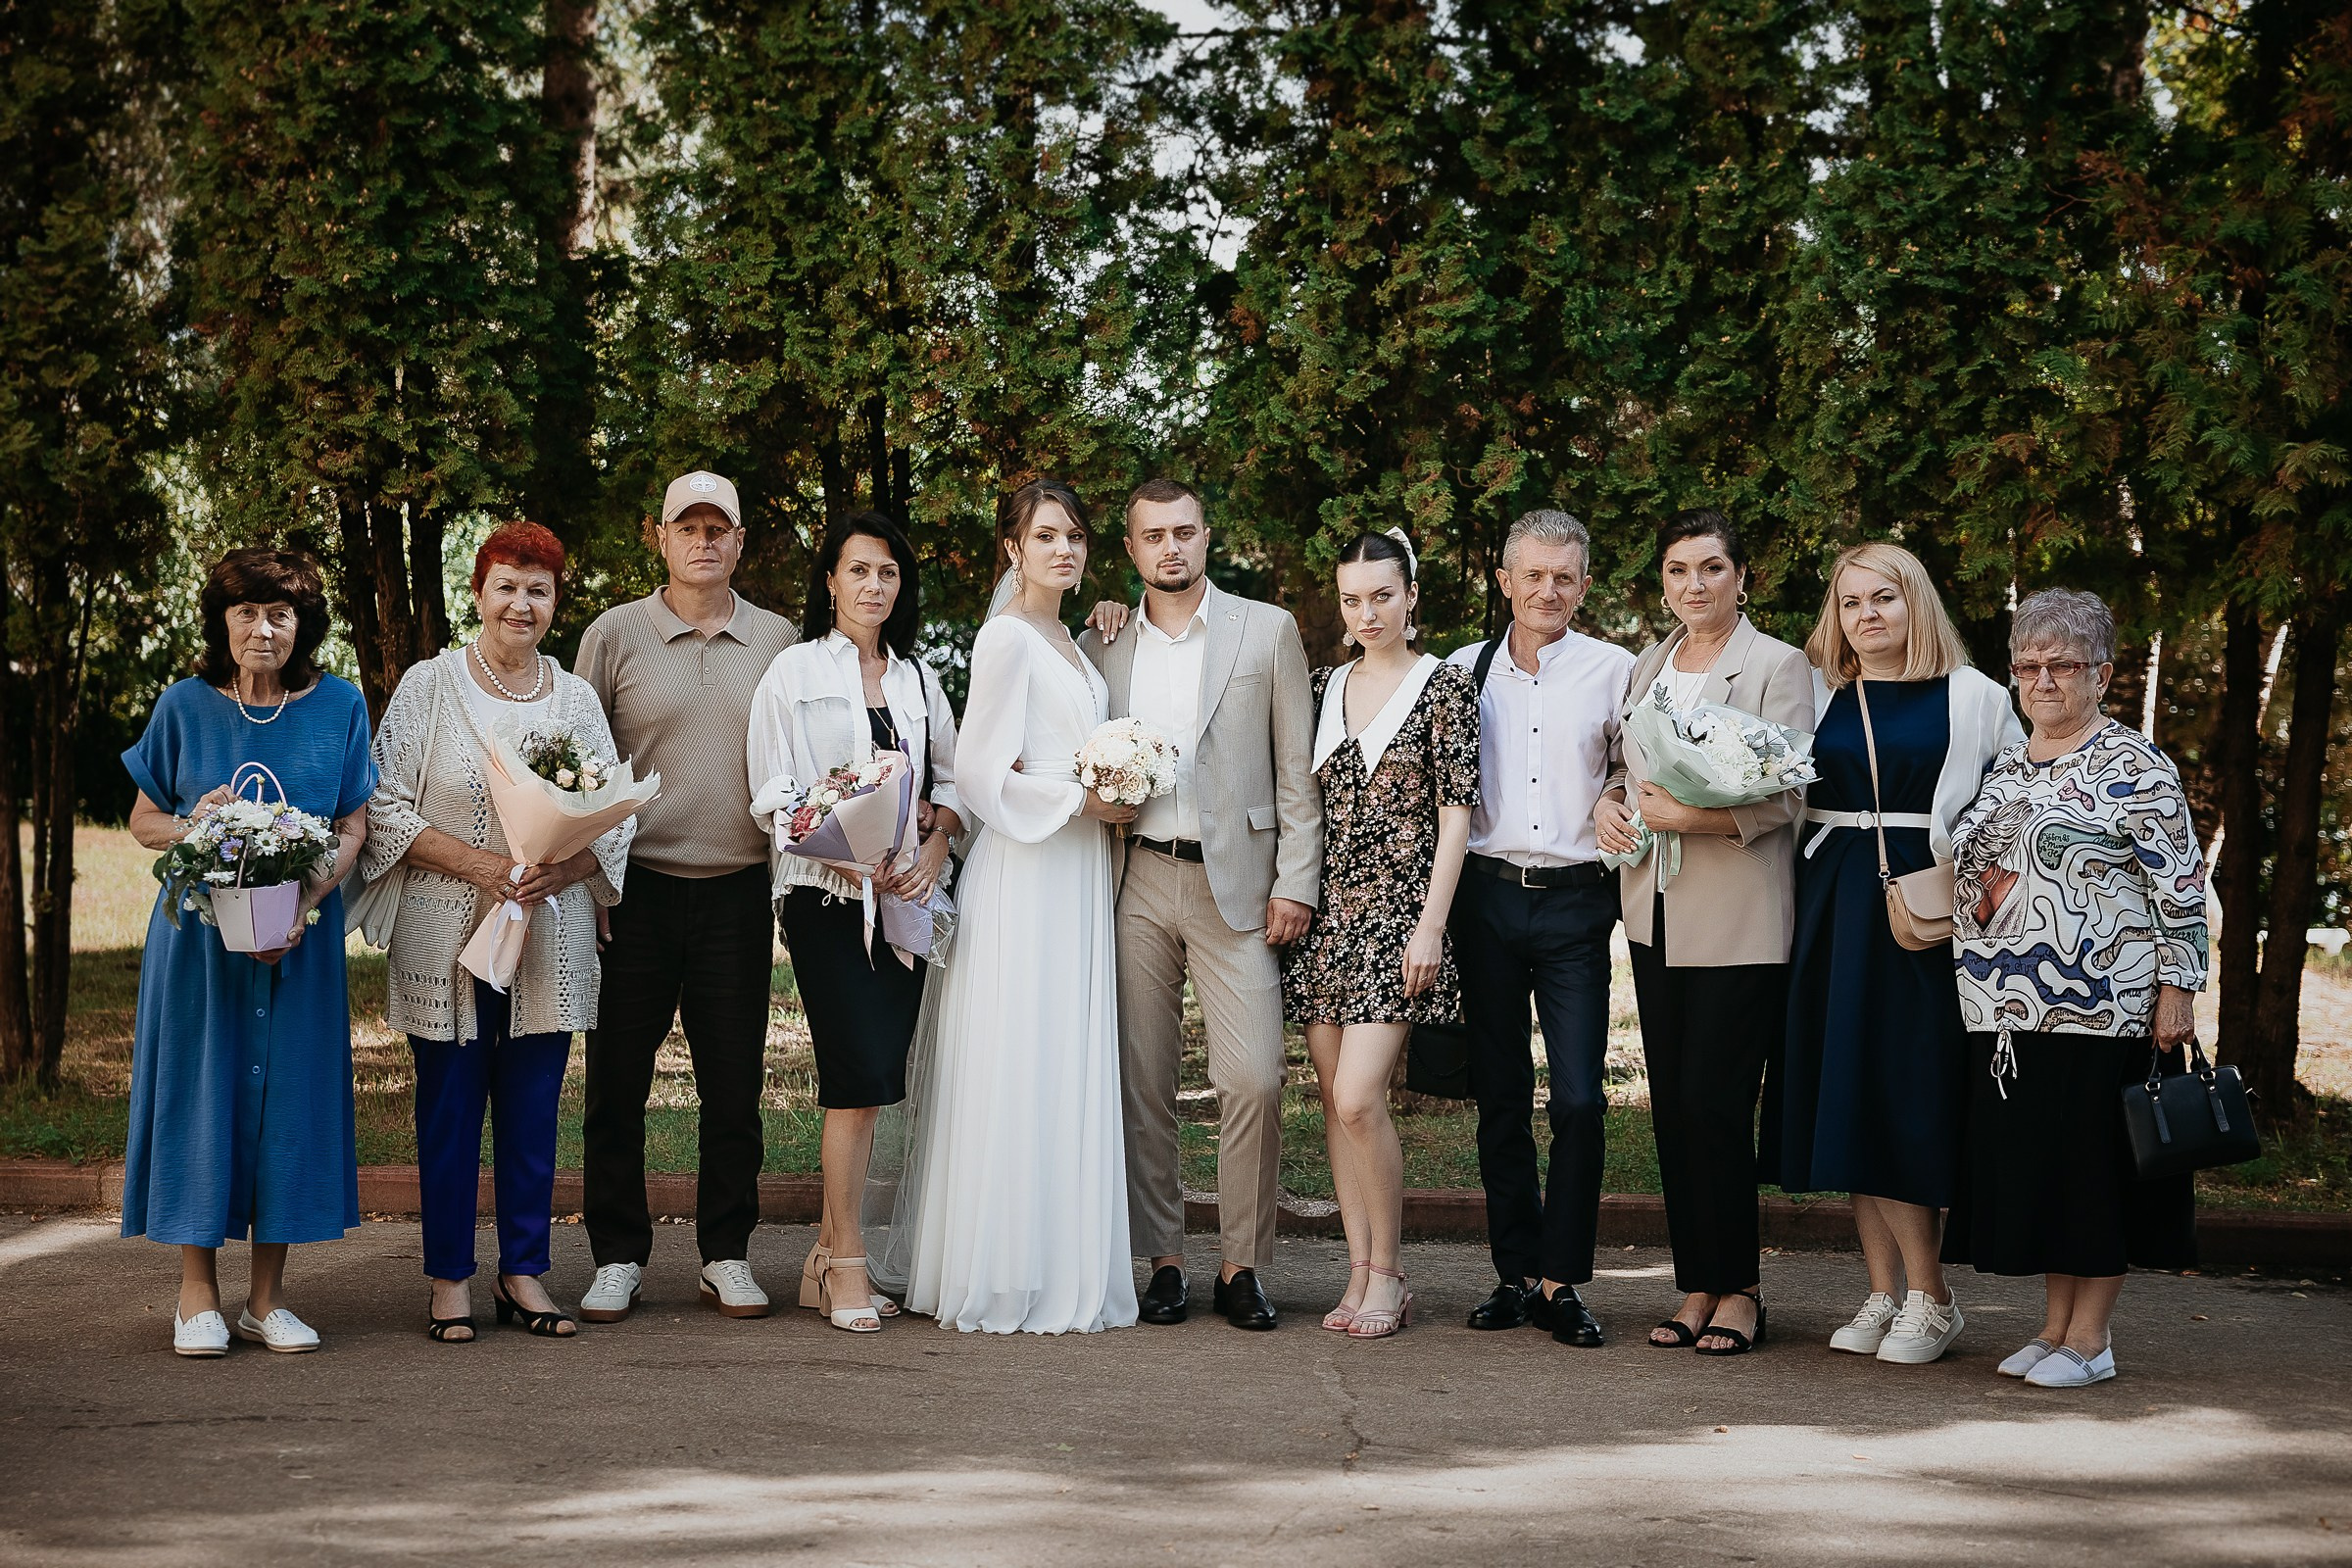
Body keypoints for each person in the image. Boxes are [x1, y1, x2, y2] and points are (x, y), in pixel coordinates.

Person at [868, 479, 1141, 1335]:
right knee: (1018, 1059)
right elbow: (982, 777)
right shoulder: (1005, 638)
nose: (1065, 549)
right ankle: (999, 1270)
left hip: (1077, 874)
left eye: (1076, 537)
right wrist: (1080, 801)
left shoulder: (1073, 641)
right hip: (1027, 870)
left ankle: (1062, 1262)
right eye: (1046, 536)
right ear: (1013, 549)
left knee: (1064, 1058)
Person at [362, 522, 633, 1343]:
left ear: (556, 602)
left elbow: (615, 816)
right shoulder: (430, 685)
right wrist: (482, 865)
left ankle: (523, 1273)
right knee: (449, 1108)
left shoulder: (575, 698)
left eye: (538, 590)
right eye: (507, 586)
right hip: (443, 935)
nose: (522, 603)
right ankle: (449, 1277)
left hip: (549, 933)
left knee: (533, 1108)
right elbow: (381, 806)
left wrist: (564, 867)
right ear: (478, 593)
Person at [1943, 589, 2207, 1388]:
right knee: (2049, 1176)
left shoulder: (2136, 766)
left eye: (2062, 664)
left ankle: (2091, 1341)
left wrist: (2178, 989)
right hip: (2007, 1010)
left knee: (2092, 1178)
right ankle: (2055, 1328)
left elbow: (2180, 888)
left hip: (2104, 1006)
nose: (2043, 680)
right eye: (2028, 665)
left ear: (2103, 673)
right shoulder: (2011, 761)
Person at [1076, 479, 1322, 1333]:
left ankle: (1240, 1264)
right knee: (1142, 1081)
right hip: (1136, 879)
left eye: (1183, 531)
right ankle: (1165, 1261)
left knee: (1253, 1077)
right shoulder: (1101, 641)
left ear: (1207, 536)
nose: (1170, 547)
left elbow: (1296, 770)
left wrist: (1296, 881)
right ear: (1132, 549)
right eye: (1153, 536)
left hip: (1241, 885)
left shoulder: (1267, 629)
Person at [1772, 540, 2022, 1365]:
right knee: (1848, 1090)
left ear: (1917, 603)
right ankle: (1882, 1291)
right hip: (1830, 903)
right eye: (1850, 602)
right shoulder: (1817, 689)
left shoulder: (1975, 696)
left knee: (1903, 1093)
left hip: (1921, 911)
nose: (1866, 615)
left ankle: (1932, 1297)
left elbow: (2013, 813)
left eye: (1884, 598)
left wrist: (1985, 915)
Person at [122, 549, 374, 1357]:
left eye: (279, 615)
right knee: (201, 1097)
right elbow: (143, 820)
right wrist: (195, 823)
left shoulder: (339, 705)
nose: (262, 630)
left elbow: (353, 827)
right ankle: (196, 1294)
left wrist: (299, 905)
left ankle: (267, 1301)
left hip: (300, 943)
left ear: (303, 627)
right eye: (246, 614)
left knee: (290, 1104)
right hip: (198, 949)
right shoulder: (184, 705)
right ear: (222, 623)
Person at [574, 470, 799, 1323]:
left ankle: (725, 1254)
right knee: (615, 1087)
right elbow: (577, 765)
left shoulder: (777, 639)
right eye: (687, 527)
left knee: (733, 1089)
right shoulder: (614, 634)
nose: (703, 541)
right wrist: (593, 875)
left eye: (718, 528)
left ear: (739, 541)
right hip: (632, 895)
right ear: (659, 536)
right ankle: (617, 1256)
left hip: (737, 893)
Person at [1595, 510, 1812, 1355]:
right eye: (1679, 569)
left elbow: (1790, 792)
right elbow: (1627, 767)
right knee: (1675, 1109)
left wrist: (1691, 817)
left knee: (1717, 1105)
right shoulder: (1650, 663)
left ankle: (1741, 1290)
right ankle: (1696, 1283)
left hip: (1737, 916)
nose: (1696, 584)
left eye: (1712, 568)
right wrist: (1609, 804)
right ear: (1662, 582)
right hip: (1653, 912)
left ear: (1741, 577)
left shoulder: (1778, 664)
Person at [746, 510, 962, 1333]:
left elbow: (952, 785)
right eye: (859, 570)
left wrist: (935, 848)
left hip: (904, 900)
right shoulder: (793, 671)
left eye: (888, 573)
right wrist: (838, 854)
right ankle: (846, 1266)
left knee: (878, 1085)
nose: (874, 586)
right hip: (825, 899)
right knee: (854, 1078)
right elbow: (771, 790)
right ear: (831, 581)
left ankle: (824, 1255)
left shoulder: (919, 680)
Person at [1445, 510, 1633, 1348]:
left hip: (1574, 902)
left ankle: (1563, 1281)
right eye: (1533, 575)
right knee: (1501, 1096)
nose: (1548, 591)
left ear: (1583, 585)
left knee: (1581, 1099)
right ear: (1505, 581)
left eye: (1564, 577)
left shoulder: (1615, 669)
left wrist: (1616, 791)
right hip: (1483, 900)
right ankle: (1516, 1275)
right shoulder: (1462, 669)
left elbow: (1637, 762)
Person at [1283, 528, 1478, 1340]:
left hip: (1400, 917)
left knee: (1361, 1097)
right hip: (1326, 918)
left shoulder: (1444, 687)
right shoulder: (1323, 686)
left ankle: (1391, 1273)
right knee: (1336, 1103)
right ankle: (1359, 1267)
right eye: (1353, 599)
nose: (1367, 613)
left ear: (1411, 596)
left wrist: (1432, 926)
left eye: (1382, 596)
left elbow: (1457, 813)